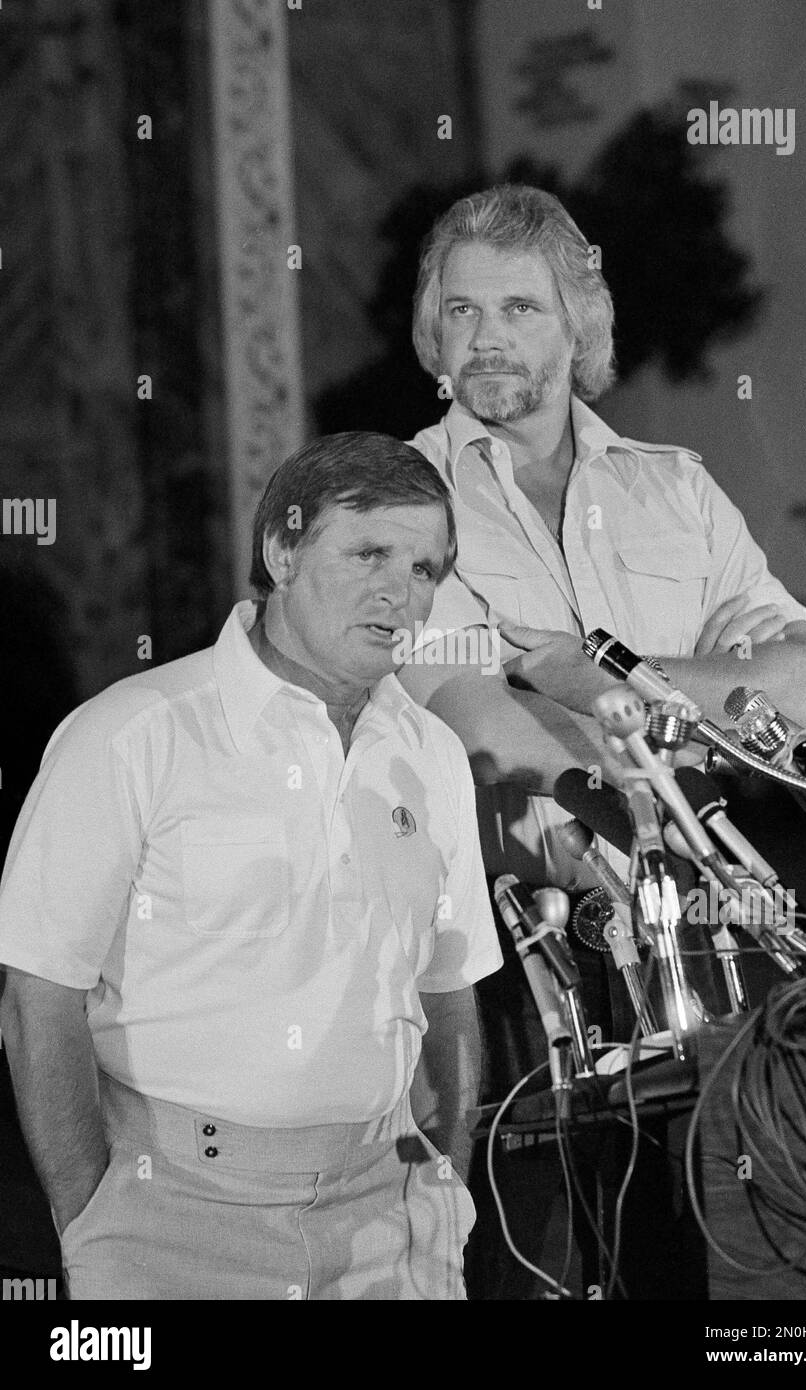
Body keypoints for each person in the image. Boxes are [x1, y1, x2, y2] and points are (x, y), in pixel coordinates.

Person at [399, 184, 806, 1295]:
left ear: (578, 322)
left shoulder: (676, 488)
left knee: (729, 1272)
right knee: (532, 1274)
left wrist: (574, 669)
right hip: (505, 979)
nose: (486, 336)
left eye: (519, 307)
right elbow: (476, 724)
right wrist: (700, 720)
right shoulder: (398, 500)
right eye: (461, 312)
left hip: (718, 961)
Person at [0, 431, 502, 1301]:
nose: (400, 592)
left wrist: (445, 1181)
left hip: (392, 1221)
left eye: (425, 569)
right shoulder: (132, 734)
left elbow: (448, 992)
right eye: (369, 553)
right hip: (173, 1226)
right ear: (281, 549)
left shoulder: (430, 756)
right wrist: (93, 1217)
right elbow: (38, 997)